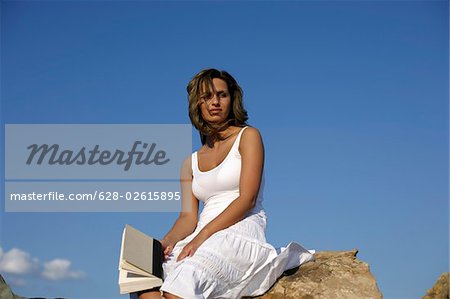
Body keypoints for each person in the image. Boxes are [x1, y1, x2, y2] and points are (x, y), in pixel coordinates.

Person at [133, 68, 314, 299]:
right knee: (146, 284)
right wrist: (163, 244)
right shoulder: (189, 163)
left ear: (232, 99)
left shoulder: (248, 136)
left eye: (222, 95)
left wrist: (202, 237)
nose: (215, 102)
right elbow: (188, 218)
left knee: (177, 289)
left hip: (239, 228)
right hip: (200, 233)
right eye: (206, 97)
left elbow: (247, 199)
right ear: (197, 105)